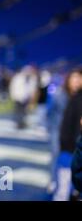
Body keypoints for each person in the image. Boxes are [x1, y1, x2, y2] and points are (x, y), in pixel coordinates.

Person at [53, 68, 82, 200]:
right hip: (68, 143)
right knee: (64, 177)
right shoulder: (64, 95)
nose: (76, 81)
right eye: (74, 78)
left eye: (79, 78)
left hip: (73, 143)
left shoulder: (77, 97)